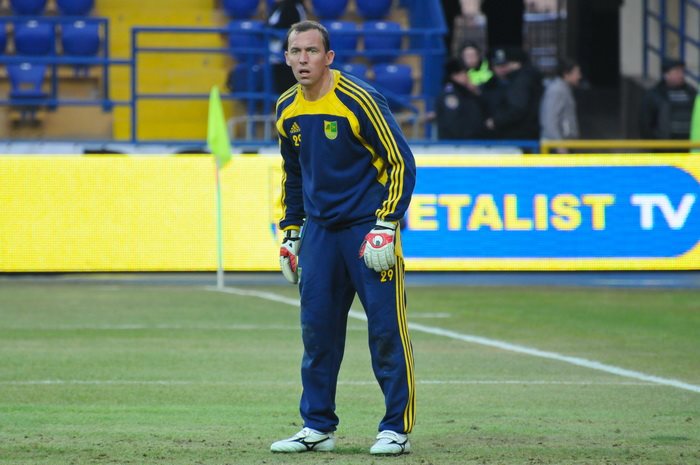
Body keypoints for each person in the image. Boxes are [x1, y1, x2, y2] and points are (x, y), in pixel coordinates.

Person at [271, 20, 417, 456]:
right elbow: (294, 175)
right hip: (320, 235)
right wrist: (291, 232)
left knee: (386, 330)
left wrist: (386, 224)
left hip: (367, 230)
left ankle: (396, 429)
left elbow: (400, 162)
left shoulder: (360, 99)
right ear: (286, 57)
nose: (303, 59)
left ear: (329, 57)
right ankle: (317, 426)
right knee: (317, 333)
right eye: (296, 51)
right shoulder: (285, 108)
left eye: (312, 51)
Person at [480, 47, 543, 141]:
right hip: (495, 135)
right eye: (497, 65)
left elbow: (517, 109)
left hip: (518, 135)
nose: (502, 69)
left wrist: (496, 121)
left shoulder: (519, 81)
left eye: (504, 65)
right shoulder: (488, 86)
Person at [639, 58, 697, 140]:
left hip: (689, 144)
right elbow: (645, 123)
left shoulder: (692, 93)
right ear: (666, 74)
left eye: (682, 71)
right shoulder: (654, 95)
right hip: (665, 145)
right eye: (677, 72)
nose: (681, 75)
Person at [435, 57, 486, 139]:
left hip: (471, 141)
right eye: (464, 73)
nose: (468, 76)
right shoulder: (451, 95)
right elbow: (453, 122)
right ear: (455, 76)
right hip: (458, 143)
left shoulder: (467, 92)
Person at [539, 58, 582, 152]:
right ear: (566, 74)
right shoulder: (557, 90)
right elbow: (549, 121)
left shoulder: (564, 88)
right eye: (577, 73)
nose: (579, 76)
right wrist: (560, 146)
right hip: (557, 147)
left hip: (562, 144)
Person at [267, 0, 308, 94]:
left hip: (287, 59)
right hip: (276, 57)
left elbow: (290, 28)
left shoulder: (293, 7)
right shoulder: (278, 7)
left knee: (289, 91)